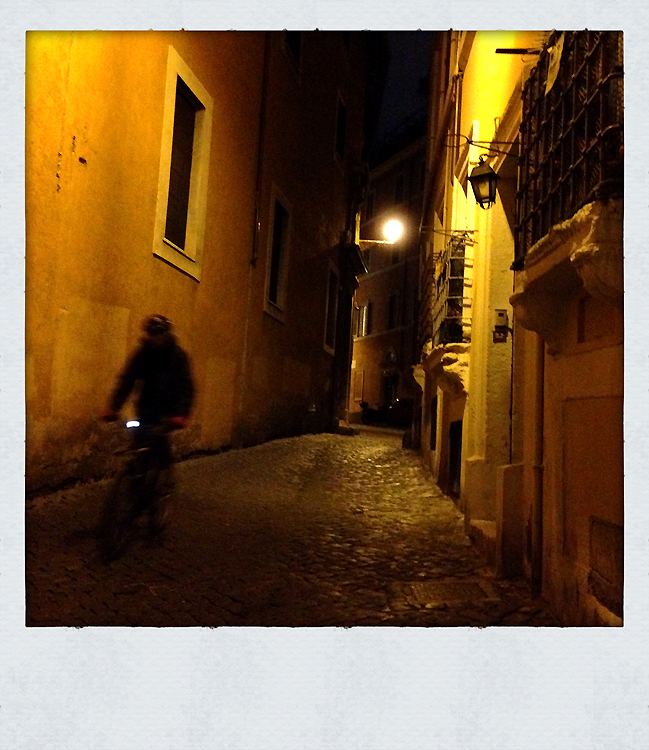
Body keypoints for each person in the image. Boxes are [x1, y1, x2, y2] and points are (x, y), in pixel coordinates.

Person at [101, 314, 195, 535]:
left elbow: (186, 388)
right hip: (145, 410)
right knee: (138, 449)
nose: (154, 338)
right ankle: (134, 492)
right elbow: (127, 380)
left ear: (166, 334)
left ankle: (161, 495)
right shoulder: (142, 354)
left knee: (159, 449)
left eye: (158, 334)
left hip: (168, 413)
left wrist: (180, 414)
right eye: (151, 334)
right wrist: (113, 407)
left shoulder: (178, 356)